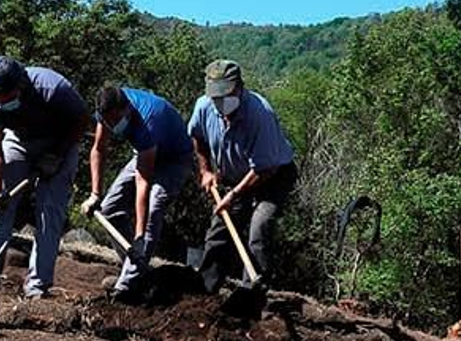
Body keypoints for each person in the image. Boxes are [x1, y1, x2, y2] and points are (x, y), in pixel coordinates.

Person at [0, 58, 91, 298]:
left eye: (8, 98)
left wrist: (57, 154)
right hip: (18, 140)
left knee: (50, 212)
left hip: (59, 142)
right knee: (1, 204)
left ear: (21, 87)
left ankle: (38, 285)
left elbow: (82, 121)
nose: (3, 103)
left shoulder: (53, 88)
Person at [189, 60, 299, 294]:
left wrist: (235, 194)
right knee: (220, 230)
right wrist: (206, 170)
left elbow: (264, 169)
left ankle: (252, 295)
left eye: (225, 96)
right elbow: (197, 136)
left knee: (258, 229)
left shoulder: (260, 115)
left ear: (240, 88)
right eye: (215, 98)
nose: (220, 104)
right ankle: (205, 291)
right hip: (233, 175)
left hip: (273, 175)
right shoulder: (204, 106)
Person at [80, 85, 195, 298]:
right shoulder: (107, 110)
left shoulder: (147, 122)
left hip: (174, 160)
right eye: (108, 121)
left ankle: (127, 285)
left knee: (154, 207)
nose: (112, 125)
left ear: (127, 110)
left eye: (116, 120)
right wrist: (95, 194)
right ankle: (136, 266)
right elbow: (98, 148)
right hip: (144, 153)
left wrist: (139, 234)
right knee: (108, 209)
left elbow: (143, 182)